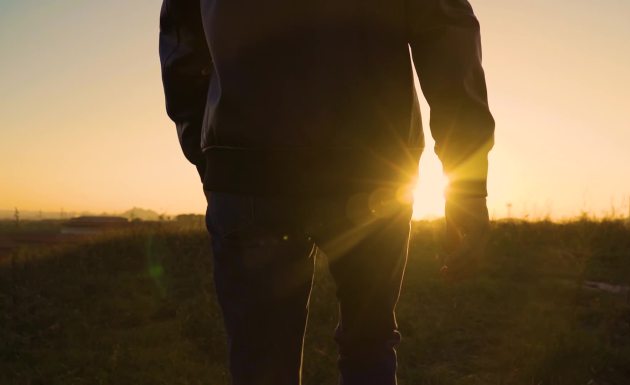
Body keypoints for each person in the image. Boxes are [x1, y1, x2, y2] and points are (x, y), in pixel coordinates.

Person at [159, 0, 494, 384]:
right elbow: (444, 25)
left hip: (247, 166)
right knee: (369, 345)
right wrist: (468, 182)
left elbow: (182, 40)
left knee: (261, 366)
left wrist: (208, 149)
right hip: (374, 166)